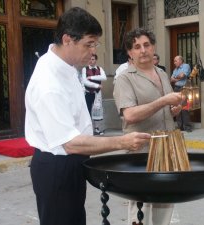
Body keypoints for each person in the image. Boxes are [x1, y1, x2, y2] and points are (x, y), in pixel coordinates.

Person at [24, 7, 151, 225]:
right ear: (67, 39)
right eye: (88, 44)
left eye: (95, 44)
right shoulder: (49, 82)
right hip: (57, 166)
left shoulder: (66, 66)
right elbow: (70, 143)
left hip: (71, 163)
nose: (93, 52)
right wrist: (122, 142)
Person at [113, 27, 183, 225]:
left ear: (153, 47)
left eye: (146, 45)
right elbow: (130, 114)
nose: (142, 50)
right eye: (136, 47)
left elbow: (166, 110)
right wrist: (162, 101)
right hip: (141, 153)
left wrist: (173, 109)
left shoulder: (161, 73)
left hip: (168, 149)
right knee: (140, 209)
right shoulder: (124, 79)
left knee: (166, 205)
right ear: (129, 52)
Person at [171, 55, 192, 132]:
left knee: (185, 108)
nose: (174, 63)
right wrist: (178, 78)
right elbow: (171, 79)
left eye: (175, 61)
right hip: (176, 89)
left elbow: (183, 75)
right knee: (177, 108)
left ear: (180, 61)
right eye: (174, 61)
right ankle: (180, 127)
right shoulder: (175, 69)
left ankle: (187, 127)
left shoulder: (186, 66)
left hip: (184, 88)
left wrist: (176, 78)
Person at [82, 54, 107, 118]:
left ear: (96, 60)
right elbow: (85, 82)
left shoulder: (99, 68)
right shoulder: (85, 69)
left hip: (97, 93)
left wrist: (91, 77)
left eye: (92, 59)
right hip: (88, 93)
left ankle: (96, 127)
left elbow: (104, 77)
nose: (91, 61)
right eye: (90, 59)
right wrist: (97, 85)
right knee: (88, 110)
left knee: (97, 110)